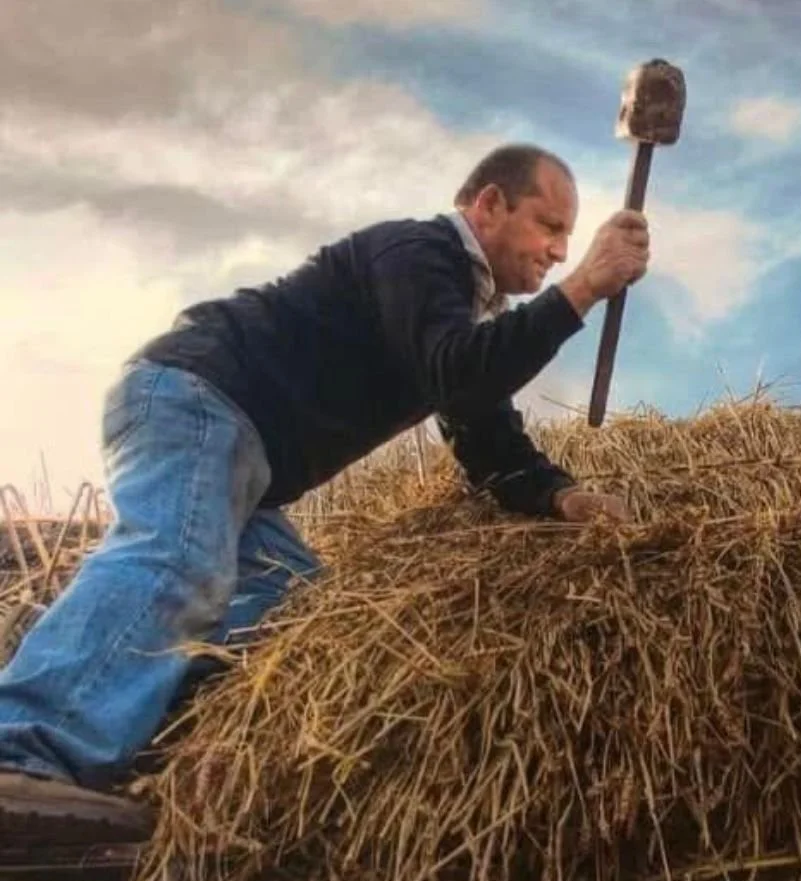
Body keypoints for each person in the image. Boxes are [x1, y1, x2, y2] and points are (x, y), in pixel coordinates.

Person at [0, 143, 649, 845]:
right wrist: (584, 287)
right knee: (176, 560)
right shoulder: (417, 252)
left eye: (568, 241)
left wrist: (559, 497)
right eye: (549, 226)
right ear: (488, 204)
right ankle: (22, 752)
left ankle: (124, 772)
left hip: (247, 468)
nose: (558, 251)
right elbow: (462, 375)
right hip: (200, 399)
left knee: (298, 614)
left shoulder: (452, 314)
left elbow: (483, 429)